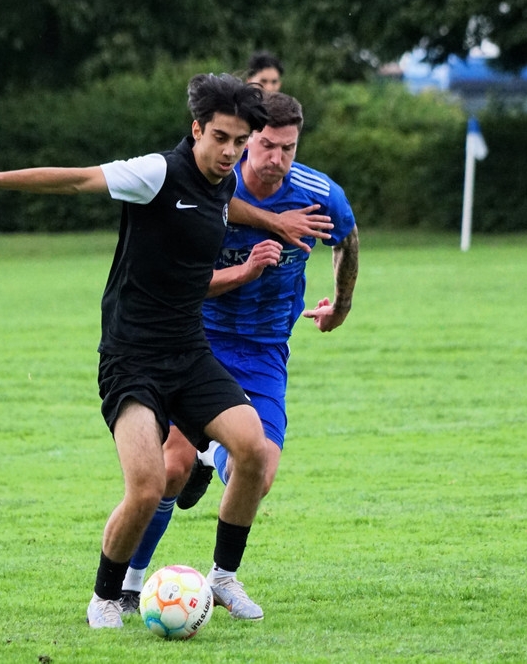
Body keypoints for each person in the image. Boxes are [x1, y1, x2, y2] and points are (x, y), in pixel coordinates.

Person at [0, 73, 282, 629]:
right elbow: (76, 181)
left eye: (240, 142)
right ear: (196, 129)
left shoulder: (222, 184)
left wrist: (272, 223)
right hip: (131, 358)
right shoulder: (156, 173)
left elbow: (225, 212)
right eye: (220, 137)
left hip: (188, 352)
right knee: (147, 487)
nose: (230, 152)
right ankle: (104, 597)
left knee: (254, 449)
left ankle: (223, 577)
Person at [118, 90, 358, 613]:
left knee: (260, 471)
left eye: (288, 148)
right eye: (267, 146)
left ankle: (223, 576)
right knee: (171, 468)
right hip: (198, 340)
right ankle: (131, 586)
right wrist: (247, 268)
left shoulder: (318, 193)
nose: (276, 158)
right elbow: (178, 281)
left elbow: (347, 237)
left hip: (266, 349)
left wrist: (340, 305)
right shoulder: (208, 190)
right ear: (248, 141)